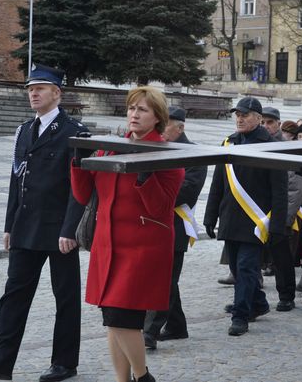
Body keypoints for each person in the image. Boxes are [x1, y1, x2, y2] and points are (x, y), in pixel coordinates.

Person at [0, 64, 85, 382]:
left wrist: (70, 229)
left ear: (56, 93)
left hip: (59, 230)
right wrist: (8, 225)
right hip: (26, 226)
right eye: (31, 88)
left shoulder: (74, 132)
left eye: (41, 88)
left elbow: (80, 188)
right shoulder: (24, 131)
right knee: (13, 295)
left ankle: (64, 362)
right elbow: (19, 182)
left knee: (66, 297)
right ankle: (0, 361)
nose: (33, 93)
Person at [71, 86, 184, 382]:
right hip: (108, 245)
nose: (134, 114)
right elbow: (84, 194)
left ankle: (143, 376)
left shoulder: (167, 154)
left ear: (157, 117)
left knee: (124, 318)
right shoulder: (112, 147)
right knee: (112, 319)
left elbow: (161, 209)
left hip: (143, 248)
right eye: (132, 108)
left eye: (142, 109)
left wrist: (145, 174)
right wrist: (78, 161)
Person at [204, 97, 288, 336]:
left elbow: (279, 191)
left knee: (247, 268)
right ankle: (258, 303)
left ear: (259, 118)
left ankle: (241, 315)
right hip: (230, 218)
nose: (239, 118)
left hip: (256, 222)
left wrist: (278, 226)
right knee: (238, 269)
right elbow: (218, 183)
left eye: (245, 114)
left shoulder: (272, 146)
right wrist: (211, 216)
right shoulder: (229, 143)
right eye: (237, 114)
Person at [143, 107, 207, 350]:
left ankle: (150, 331)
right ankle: (177, 325)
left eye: (166, 124)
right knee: (166, 278)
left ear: (180, 127)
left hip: (175, 224)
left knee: (166, 279)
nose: (160, 128)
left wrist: (151, 194)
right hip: (151, 222)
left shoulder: (193, 154)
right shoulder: (154, 148)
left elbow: (186, 192)